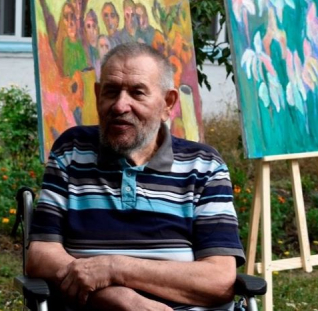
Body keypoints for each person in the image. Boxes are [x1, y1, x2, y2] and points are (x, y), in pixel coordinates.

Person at [27, 42, 244, 311]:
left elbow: (219, 280)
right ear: (97, 95)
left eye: (137, 93)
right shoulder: (72, 151)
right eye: (111, 91)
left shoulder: (203, 166)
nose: (120, 106)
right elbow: (41, 256)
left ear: (167, 103)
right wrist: (119, 299)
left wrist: (115, 268)